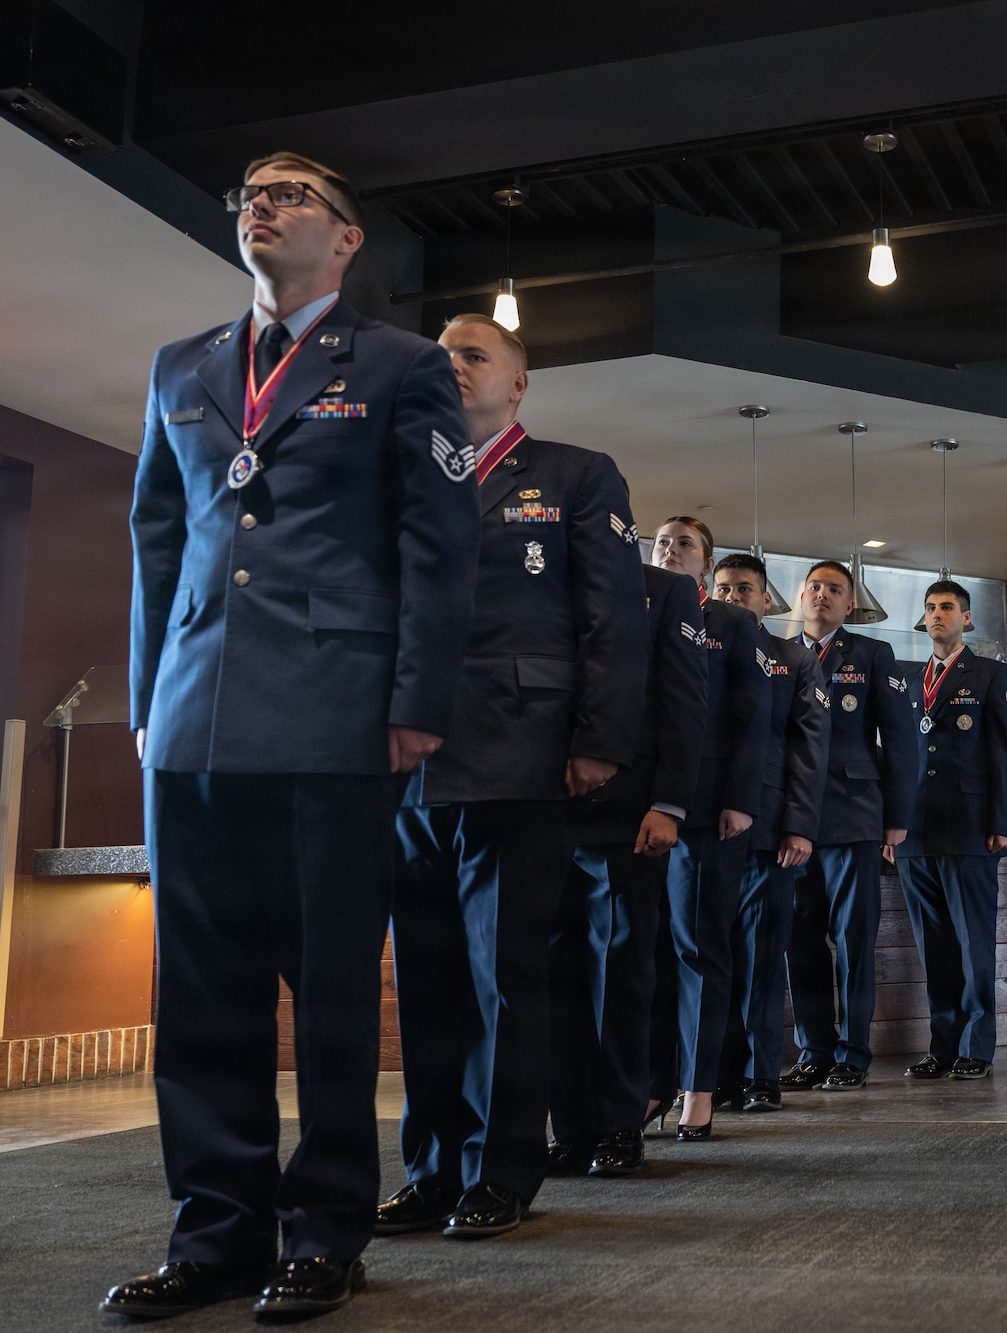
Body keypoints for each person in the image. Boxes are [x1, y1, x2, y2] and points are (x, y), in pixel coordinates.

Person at [107, 152, 479, 1319]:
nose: (257, 207)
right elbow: (153, 546)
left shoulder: (407, 367)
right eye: (247, 198)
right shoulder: (182, 365)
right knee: (203, 991)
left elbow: (439, 542)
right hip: (195, 715)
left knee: (324, 988)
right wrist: (142, 705)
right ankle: (214, 1230)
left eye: (288, 196)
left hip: (335, 713)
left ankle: (322, 1229)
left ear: (347, 239)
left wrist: (418, 701)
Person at [375, 312, 647, 1240]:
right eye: (440, 355)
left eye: (473, 354)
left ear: (518, 382)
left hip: (522, 755)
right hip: (406, 765)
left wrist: (600, 738)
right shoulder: (402, 468)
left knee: (504, 977)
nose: (452, 366)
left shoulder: (575, 474)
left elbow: (612, 621)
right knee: (427, 980)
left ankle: (501, 1171)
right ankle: (432, 1168)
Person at [547, 561, 706, 1178]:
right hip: (544, 802)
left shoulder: (662, 591)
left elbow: (684, 698)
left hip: (629, 808)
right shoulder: (543, 573)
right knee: (558, 973)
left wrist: (669, 802)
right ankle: (571, 1128)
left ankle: (619, 1125)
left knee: (620, 971)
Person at [649, 518, 770, 1139]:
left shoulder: (731, 623)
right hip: (634, 806)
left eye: (684, 544)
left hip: (708, 809)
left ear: (707, 561)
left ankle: (698, 1089)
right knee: (639, 953)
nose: (670, 550)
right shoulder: (632, 607)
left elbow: (754, 718)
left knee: (699, 949)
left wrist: (742, 800)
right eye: (662, 541)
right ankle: (649, 1085)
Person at [780, 560, 919, 1092]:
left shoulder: (871, 653)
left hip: (853, 813)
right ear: (800, 595)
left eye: (834, 589)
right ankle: (814, 1051)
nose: (822, 595)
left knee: (853, 939)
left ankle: (853, 1053)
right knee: (801, 940)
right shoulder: (780, 652)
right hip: (790, 819)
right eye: (814, 586)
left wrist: (897, 819)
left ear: (848, 603)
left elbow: (900, 739)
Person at [711, 554, 829, 1113]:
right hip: (700, 832)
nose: (734, 597)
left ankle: (761, 1076)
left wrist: (799, 827)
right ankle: (716, 1078)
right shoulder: (694, 645)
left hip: (768, 834)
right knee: (712, 960)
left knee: (760, 960)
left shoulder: (793, 658)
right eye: (724, 588)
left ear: (767, 600)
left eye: (745, 589)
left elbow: (810, 749)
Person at [895, 580, 1007, 1081]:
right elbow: (902, 759)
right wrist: (894, 827)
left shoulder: (992, 675)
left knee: (973, 944)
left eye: (947, 607)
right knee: (934, 946)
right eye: (930, 608)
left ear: (967, 618)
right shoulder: (908, 680)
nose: (937, 615)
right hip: (917, 832)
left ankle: (977, 1045)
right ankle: (941, 1045)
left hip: (970, 828)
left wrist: (1003, 824)